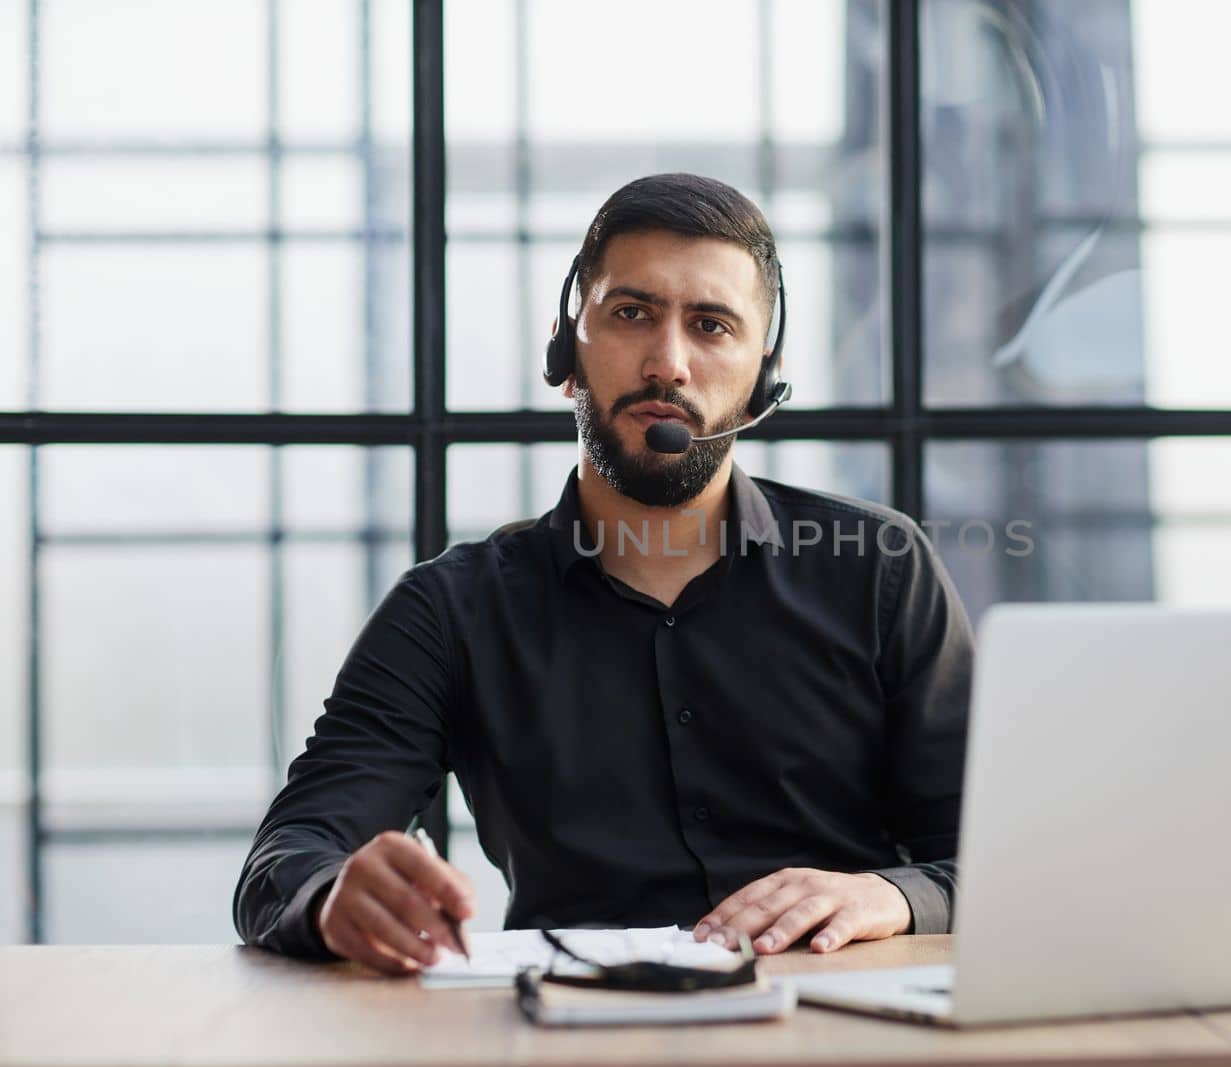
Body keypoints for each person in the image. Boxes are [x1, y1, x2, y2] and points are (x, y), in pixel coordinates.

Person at [233, 173, 973, 976]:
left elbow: (994, 859)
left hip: (844, 1030)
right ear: (566, 348)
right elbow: (288, 858)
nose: (669, 364)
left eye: (712, 325)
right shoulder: (451, 609)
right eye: (632, 314)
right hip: (568, 1032)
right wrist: (336, 894)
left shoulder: (880, 570)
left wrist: (891, 896)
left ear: (763, 374)